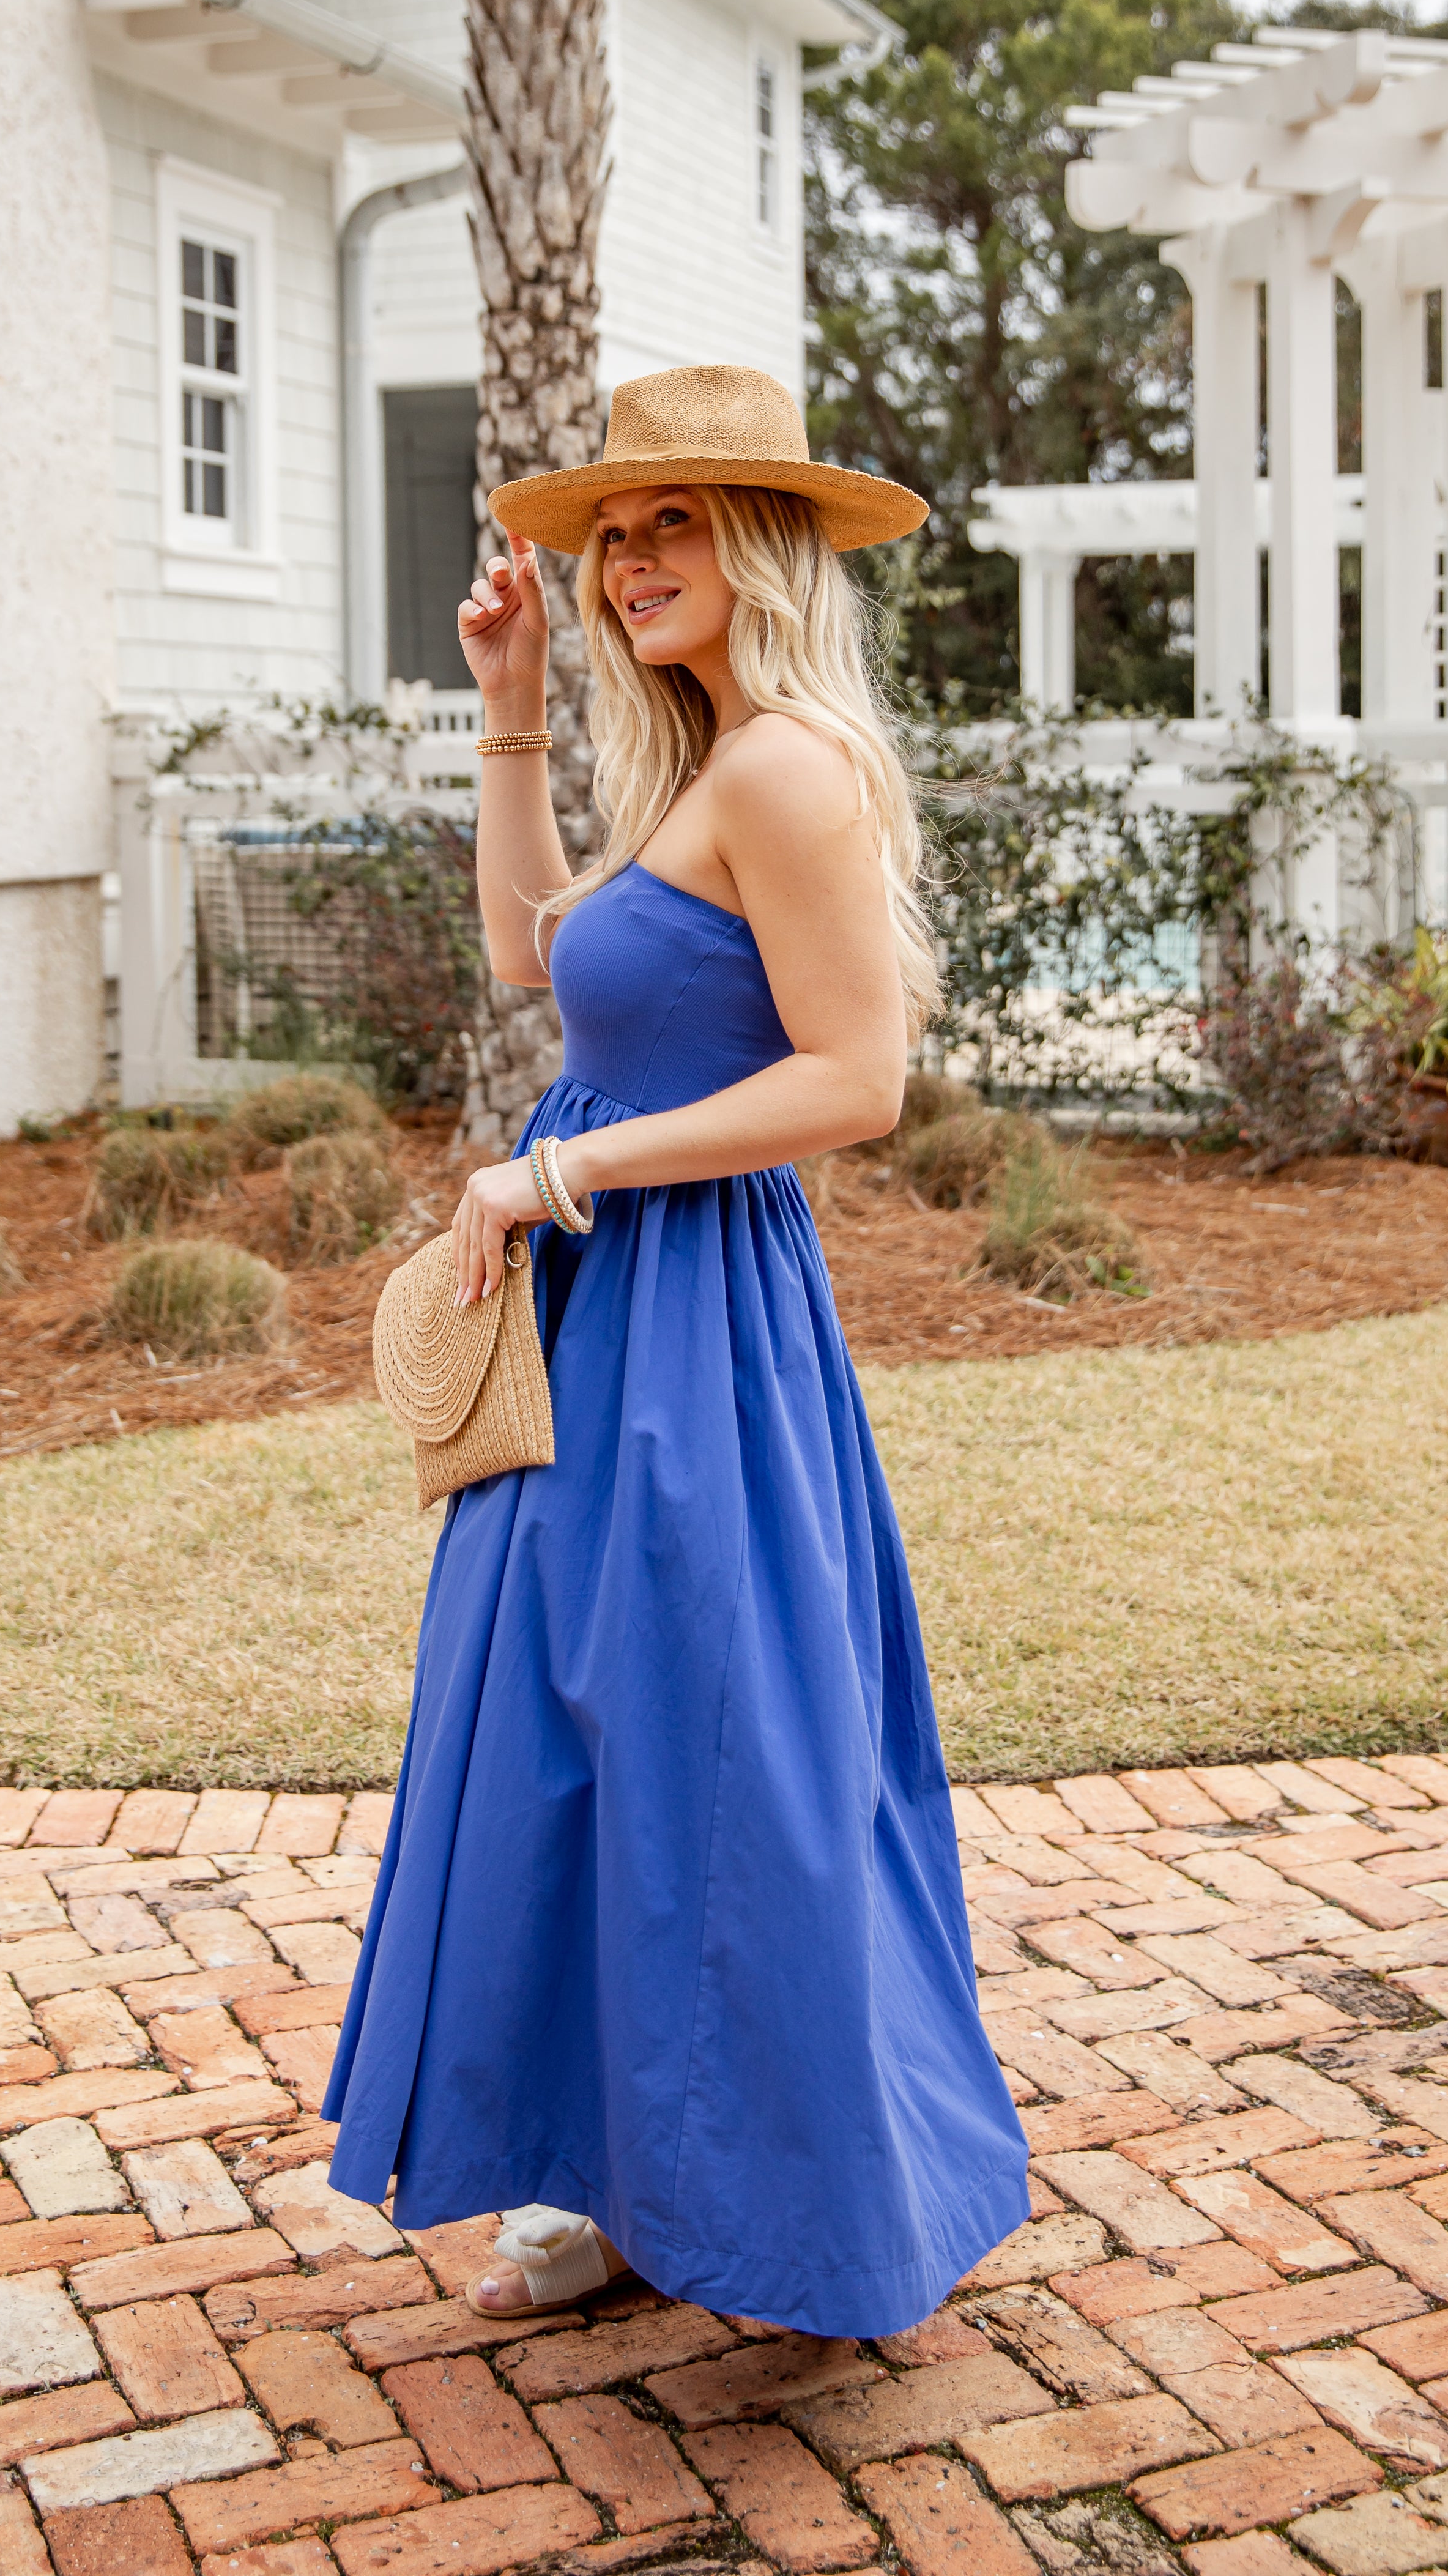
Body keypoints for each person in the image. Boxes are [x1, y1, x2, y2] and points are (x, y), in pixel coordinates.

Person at [324, 365, 1028, 2336]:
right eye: (610, 531)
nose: (628, 559)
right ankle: (618, 2173)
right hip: (601, 1319)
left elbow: (857, 1078)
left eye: (671, 523)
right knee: (579, 1736)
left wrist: (555, 1179)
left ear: (765, 545)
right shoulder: (700, 770)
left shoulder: (791, 766)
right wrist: (512, 709)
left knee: (714, 1750)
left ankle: (796, 2207)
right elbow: (530, 962)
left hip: (696, 1323)